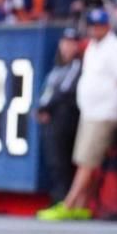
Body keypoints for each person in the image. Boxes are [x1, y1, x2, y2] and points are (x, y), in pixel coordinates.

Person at [41, 8, 117, 221]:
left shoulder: (115, 49)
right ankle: (82, 205)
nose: (95, 29)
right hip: (90, 111)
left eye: (99, 25)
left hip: (104, 112)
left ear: (107, 26)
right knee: (85, 159)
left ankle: (69, 203)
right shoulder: (92, 47)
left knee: (86, 161)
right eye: (92, 25)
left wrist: (107, 90)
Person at [35, 28, 83, 206]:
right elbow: (47, 90)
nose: (67, 47)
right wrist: (40, 108)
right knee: (53, 161)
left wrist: (47, 108)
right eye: (64, 42)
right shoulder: (56, 66)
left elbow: (65, 90)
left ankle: (63, 201)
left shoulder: (76, 65)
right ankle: (57, 198)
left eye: (71, 43)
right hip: (51, 118)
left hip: (63, 117)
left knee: (61, 161)